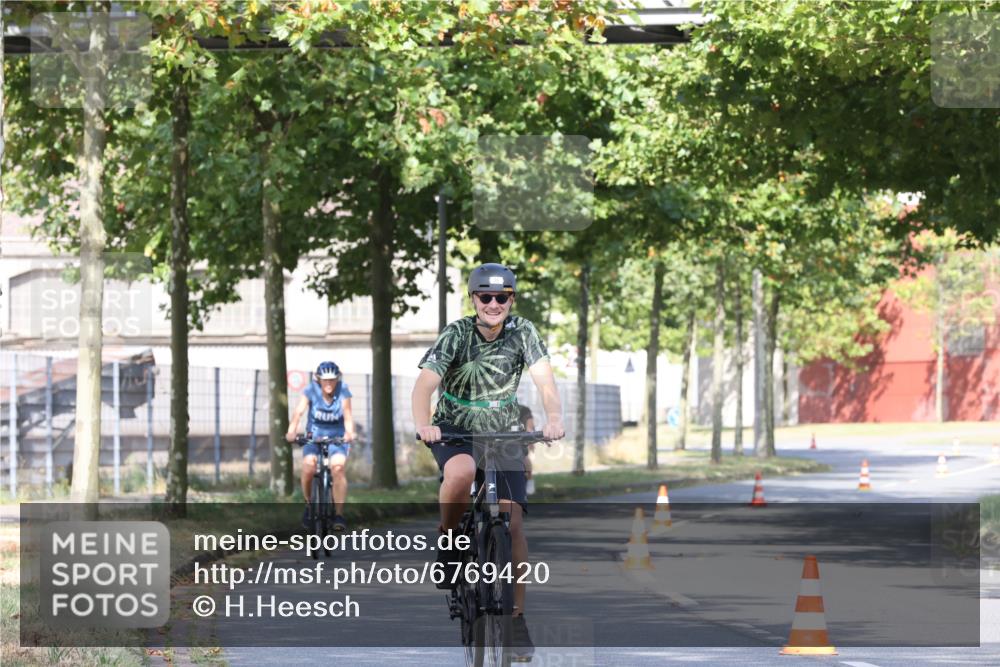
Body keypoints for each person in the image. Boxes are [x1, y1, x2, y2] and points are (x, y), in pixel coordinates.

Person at [411, 263, 565, 661]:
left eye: (502, 297)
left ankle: (515, 619)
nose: (494, 304)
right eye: (486, 297)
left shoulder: (523, 331)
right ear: (474, 299)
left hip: (504, 434)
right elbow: (425, 384)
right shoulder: (457, 334)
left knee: (512, 523)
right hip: (455, 430)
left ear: (511, 299)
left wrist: (554, 418)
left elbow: (545, 382)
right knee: (460, 473)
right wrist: (423, 424)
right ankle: (449, 539)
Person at [286, 361, 355, 531]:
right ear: (318, 380)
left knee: (338, 468)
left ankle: (338, 515)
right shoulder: (310, 390)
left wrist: (350, 433)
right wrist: (292, 431)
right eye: (325, 380)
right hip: (313, 435)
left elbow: (347, 415)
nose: (329, 384)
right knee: (309, 466)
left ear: (337, 379)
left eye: (332, 380)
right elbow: (298, 412)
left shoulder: (343, 390)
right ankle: (309, 505)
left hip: (337, 436)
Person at [519, 403, 536, 495]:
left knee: (524, 457)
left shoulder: (523, 409)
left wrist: (531, 441)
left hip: (519, 439)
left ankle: (530, 480)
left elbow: (529, 424)